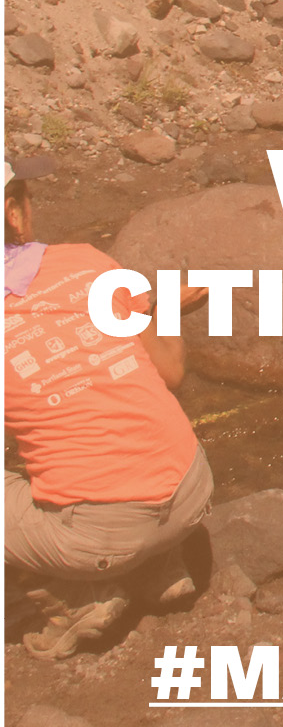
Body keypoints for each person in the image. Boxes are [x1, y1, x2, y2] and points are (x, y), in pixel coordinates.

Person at [4, 157, 213, 660]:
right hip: (191, 490)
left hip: (102, 536)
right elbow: (169, 373)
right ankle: (158, 564)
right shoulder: (88, 262)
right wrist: (157, 307)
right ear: (15, 212)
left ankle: (74, 597)